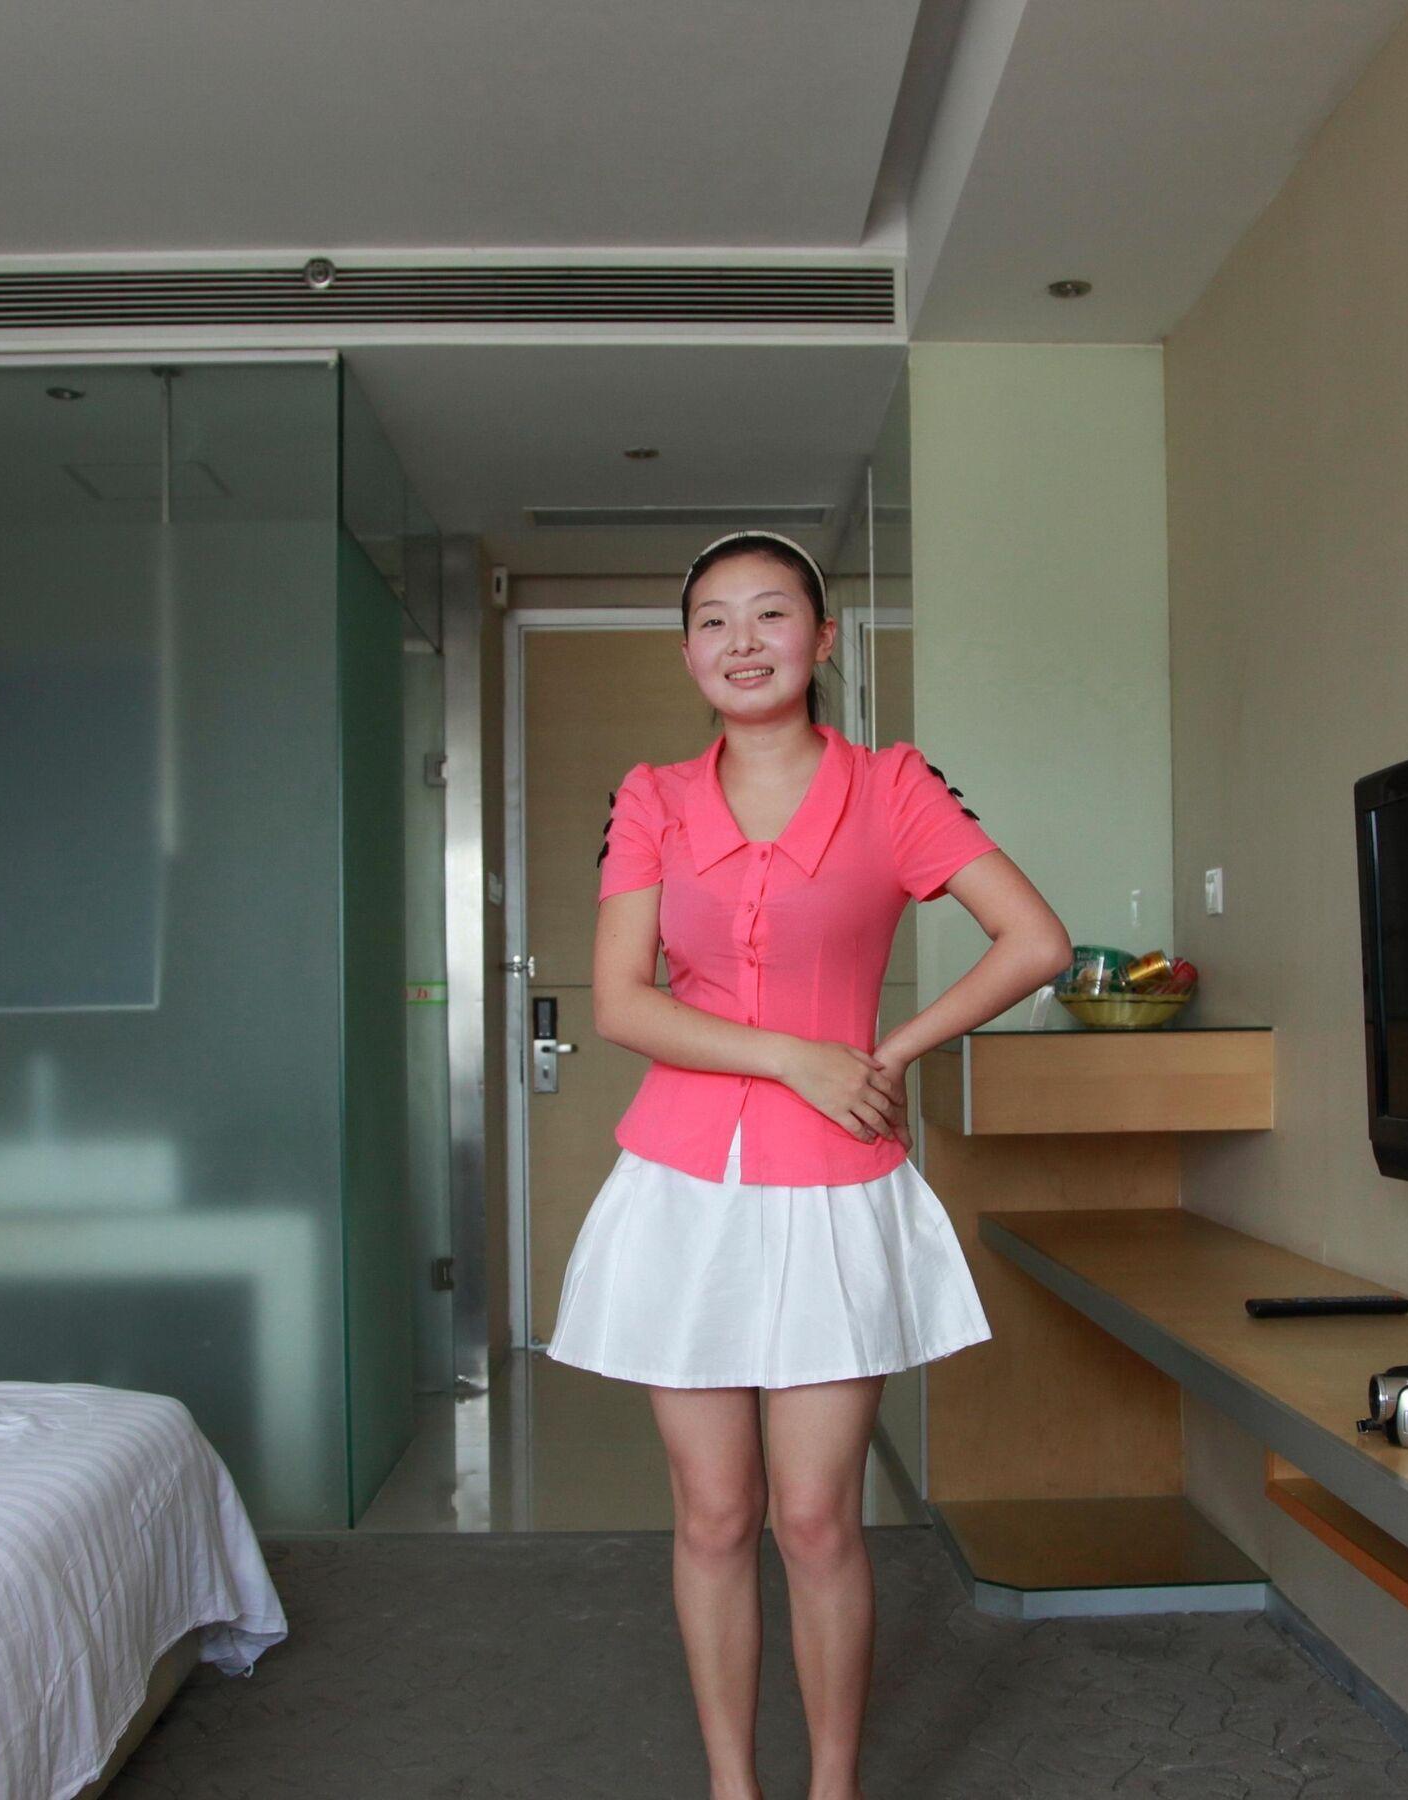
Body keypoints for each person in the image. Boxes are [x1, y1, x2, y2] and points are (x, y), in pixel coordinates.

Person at [544, 530, 1073, 1800]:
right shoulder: (651, 798)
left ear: (822, 640)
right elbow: (621, 1002)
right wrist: (795, 1057)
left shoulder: (893, 788)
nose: (743, 641)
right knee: (713, 1514)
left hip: (838, 1186)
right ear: (688, 653)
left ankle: (833, 1789)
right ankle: (734, 1788)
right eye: (713, 620)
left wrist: (884, 1053)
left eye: (771, 614)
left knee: (818, 1517)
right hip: (682, 1188)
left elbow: (1036, 942)